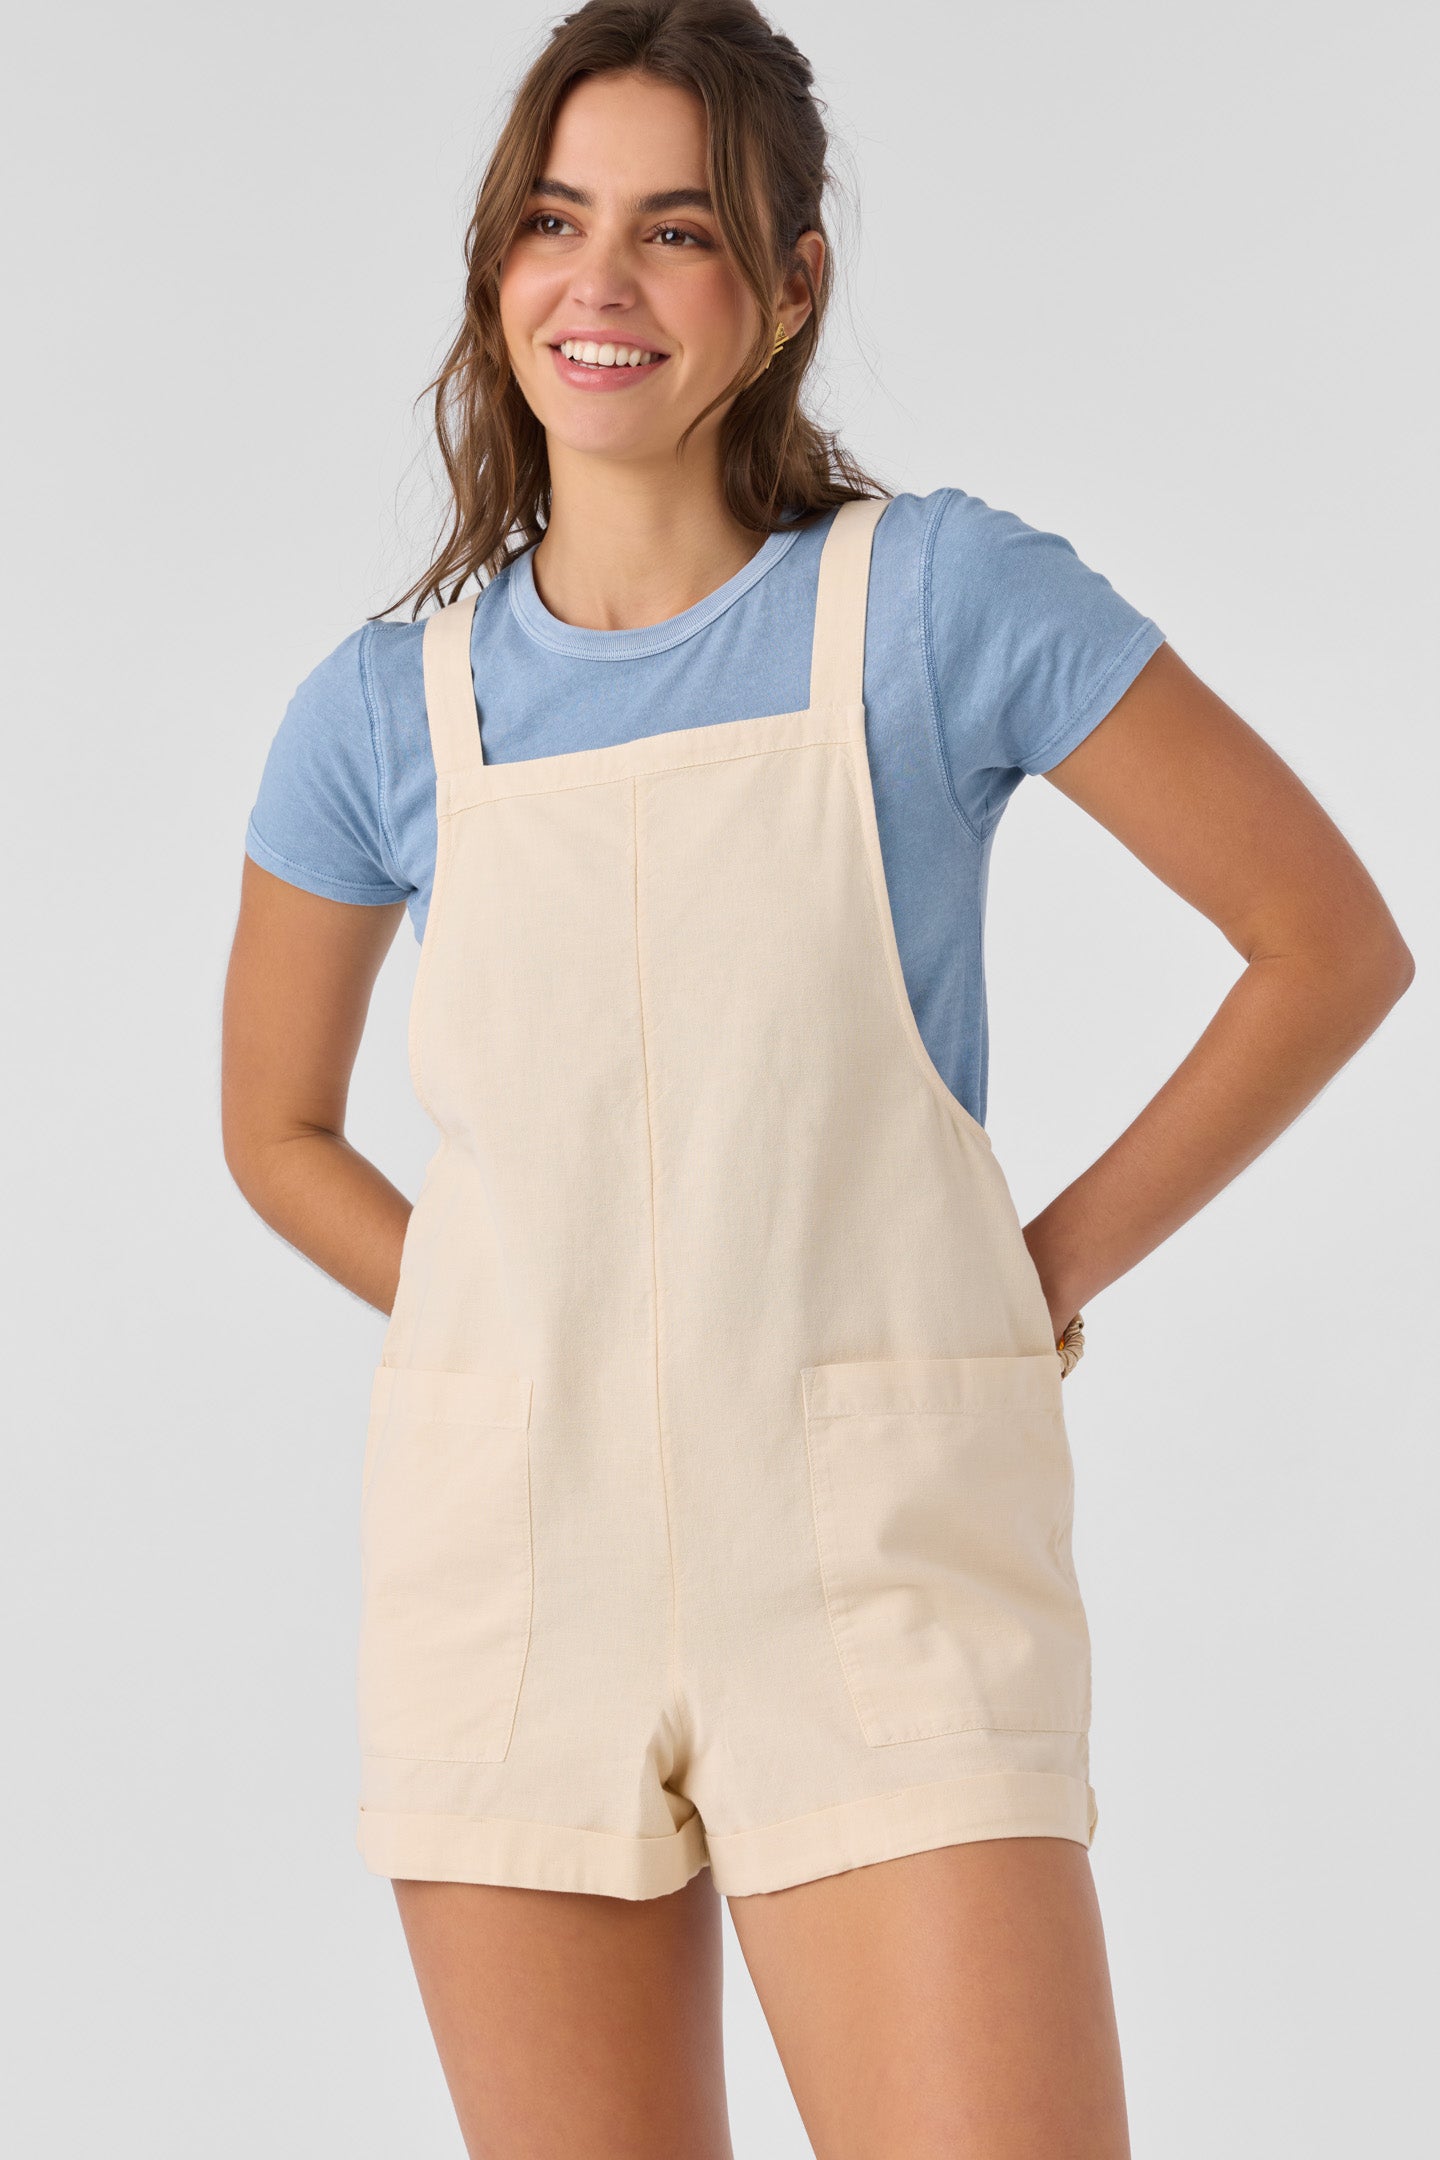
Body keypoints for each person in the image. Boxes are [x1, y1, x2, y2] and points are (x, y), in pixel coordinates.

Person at [220, 3, 1414, 2154]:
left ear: (790, 285)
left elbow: (1326, 947)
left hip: (879, 1551)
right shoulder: (385, 713)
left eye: (676, 229)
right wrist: (523, 1329)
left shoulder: (940, 603)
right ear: (497, 267)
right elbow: (273, 1133)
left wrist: (1034, 1271)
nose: (600, 280)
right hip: (517, 1564)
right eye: (555, 221)